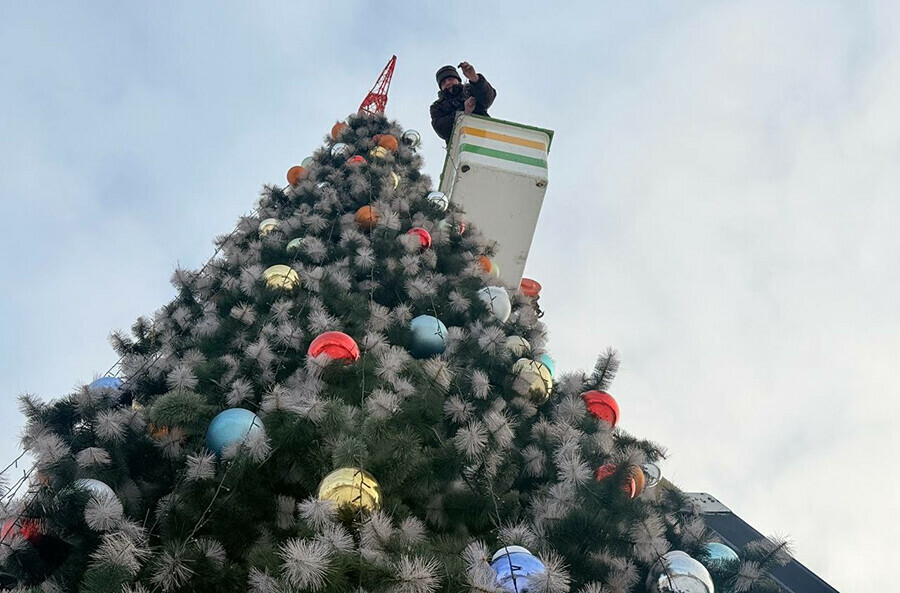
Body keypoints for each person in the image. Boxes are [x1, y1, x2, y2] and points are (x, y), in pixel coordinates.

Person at [430, 62, 497, 143]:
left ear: (458, 80)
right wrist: (464, 112)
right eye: (443, 82)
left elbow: (487, 98)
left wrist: (475, 78)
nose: (447, 83)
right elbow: (441, 129)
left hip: (485, 136)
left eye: (450, 79)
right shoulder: (437, 107)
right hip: (459, 146)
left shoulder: (470, 90)